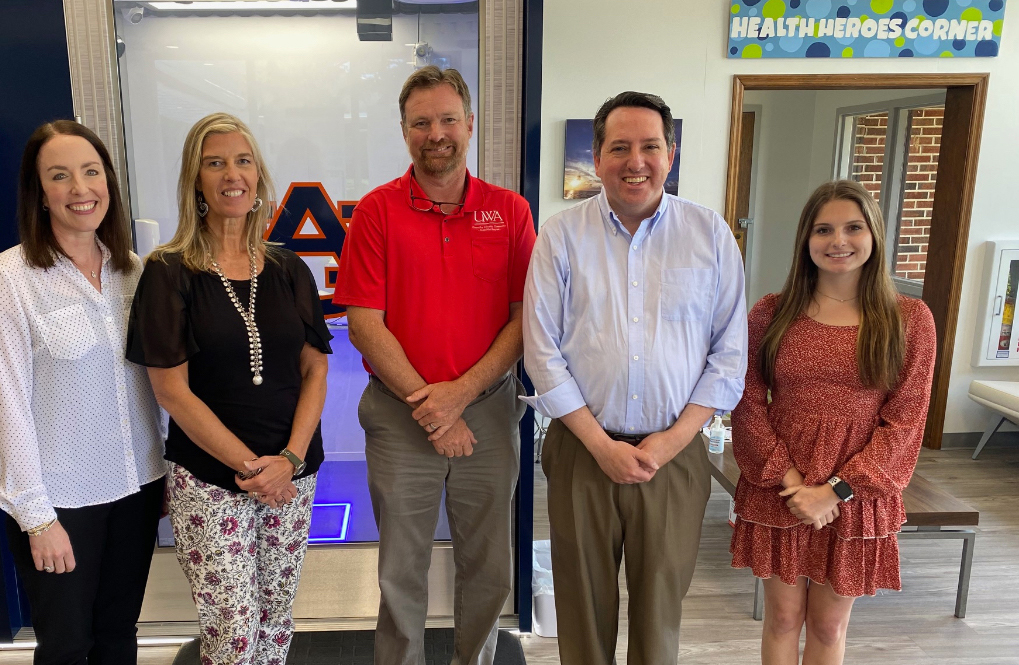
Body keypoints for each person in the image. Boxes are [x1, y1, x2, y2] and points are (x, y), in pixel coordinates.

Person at [522, 91, 747, 665]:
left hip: (674, 456)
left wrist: (669, 442)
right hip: (581, 451)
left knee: (659, 613)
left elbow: (729, 355)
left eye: (650, 146)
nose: (635, 161)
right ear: (596, 158)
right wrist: (600, 446)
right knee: (582, 613)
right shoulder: (561, 237)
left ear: (670, 155)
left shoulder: (710, 235)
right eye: (619, 147)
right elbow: (542, 352)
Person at [332, 66, 536, 665]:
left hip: (490, 414)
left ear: (469, 125)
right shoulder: (376, 212)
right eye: (421, 122)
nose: (436, 133)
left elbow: (526, 319)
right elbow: (364, 324)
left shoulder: (510, 212)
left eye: (448, 119)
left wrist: (461, 397)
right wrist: (434, 408)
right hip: (400, 418)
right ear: (404, 132)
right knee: (400, 571)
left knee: (490, 566)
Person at [126, 112, 332, 665]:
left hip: (293, 473)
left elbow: (315, 369)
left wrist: (286, 460)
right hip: (211, 479)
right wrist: (252, 468)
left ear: (259, 175)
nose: (231, 174)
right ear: (196, 179)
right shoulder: (168, 273)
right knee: (233, 634)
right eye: (214, 163)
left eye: (242, 161)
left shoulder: (290, 269)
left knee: (274, 621)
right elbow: (172, 392)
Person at [0, 120, 167, 665]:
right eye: (60, 177)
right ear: (38, 194)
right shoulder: (9, 279)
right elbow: (3, 404)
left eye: (91, 172)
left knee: (118, 636)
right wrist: (37, 518)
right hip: (61, 502)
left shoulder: (134, 271)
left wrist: (169, 470)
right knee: (65, 648)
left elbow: (155, 383)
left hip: (137, 486)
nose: (81, 189)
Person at [730, 180, 936, 665]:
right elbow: (746, 399)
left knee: (829, 625)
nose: (837, 241)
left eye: (852, 228)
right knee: (781, 619)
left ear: (875, 235)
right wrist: (793, 481)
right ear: (806, 239)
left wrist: (835, 491)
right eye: (823, 229)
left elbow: (905, 421)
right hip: (781, 484)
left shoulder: (908, 319)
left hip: (855, 496)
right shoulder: (772, 312)